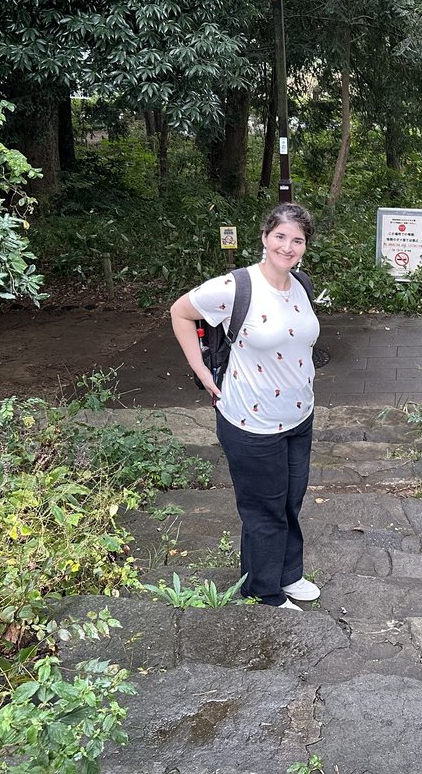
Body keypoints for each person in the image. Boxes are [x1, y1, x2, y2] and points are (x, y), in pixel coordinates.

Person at [169, 203, 321, 610]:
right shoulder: (235, 286)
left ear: (305, 246)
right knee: (263, 508)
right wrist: (202, 372)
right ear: (265, 237)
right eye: (280, 237)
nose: (287, 247)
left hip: (298, 416)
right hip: (251, 422)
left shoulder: (301, 285)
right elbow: (180, 313)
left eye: (297, 240)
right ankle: (263, 589)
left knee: (290, 500)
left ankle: (288, 573)